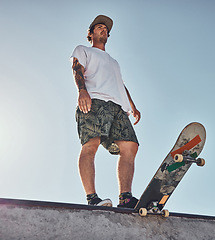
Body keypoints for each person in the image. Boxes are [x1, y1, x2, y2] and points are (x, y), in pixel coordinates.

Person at [70, 15, 141, 208]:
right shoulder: (83, 50)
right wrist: (82, 91)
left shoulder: (113, 62)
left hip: (117, 107)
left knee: (130, 146)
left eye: (106, 29)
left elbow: (120, 84)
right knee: (90, 144)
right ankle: (92, 198)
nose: (104, 30)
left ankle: (125, 197)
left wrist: (132, 105)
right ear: (91, 33)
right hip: (95, 101)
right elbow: (77, 68)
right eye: (99, 27)